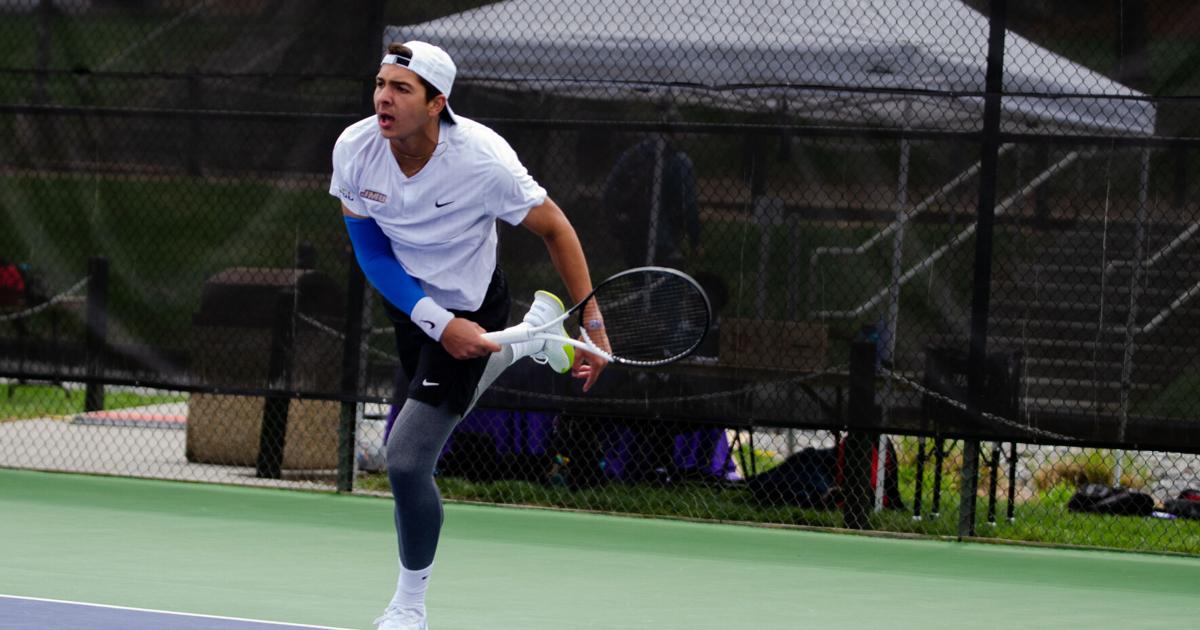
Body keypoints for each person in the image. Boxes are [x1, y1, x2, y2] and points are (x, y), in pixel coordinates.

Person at [329, 41, 609, 630]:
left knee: (405, 461)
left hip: (474, 303)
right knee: (413, 449)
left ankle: (408, 607)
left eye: (402, 89)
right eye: (381, 84)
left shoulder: (483, 161)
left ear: (437, 103)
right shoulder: (355, 149)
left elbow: (556, 227)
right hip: (414, 308)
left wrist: (593, 320)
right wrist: (435, 321)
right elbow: (371, 250)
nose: (384, 97)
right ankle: (530, 340)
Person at [601, 114, 702, 269]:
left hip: (631, 233)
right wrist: (696, 241)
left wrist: (616, 225)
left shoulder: (633, 154)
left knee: (639, 282)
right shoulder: (679, 160)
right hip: (664, 239)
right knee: (664, 286)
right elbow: (688, 204)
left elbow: (609, 191)